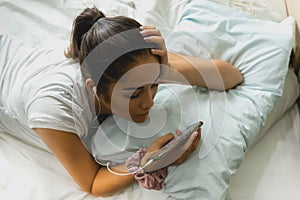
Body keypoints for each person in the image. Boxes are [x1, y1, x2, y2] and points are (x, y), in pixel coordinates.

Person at [0, 6, 243, 198]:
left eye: (154, 86)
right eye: (135, 94)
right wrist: (147, 161)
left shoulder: (133, 64)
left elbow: (231, 77)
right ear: (94, 89)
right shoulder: (54, 107)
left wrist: (165, 69)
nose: (148, 103)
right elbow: (91, 182)